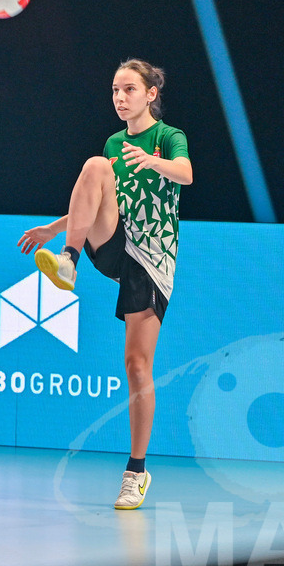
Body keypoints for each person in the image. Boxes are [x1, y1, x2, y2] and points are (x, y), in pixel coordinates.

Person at [17, 59, 192, 510]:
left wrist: (153, 161)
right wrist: (55, 229)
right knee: (95, 166)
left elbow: (186, 173)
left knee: (137, 364)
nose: (120, 97)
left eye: (129, 89)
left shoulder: (168, 137)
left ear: (150, 94)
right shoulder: (115, 143)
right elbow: (96, 200)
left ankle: (137, 471)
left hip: (151, 259)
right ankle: (69, 262)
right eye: (115, 89)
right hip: (114, 242)